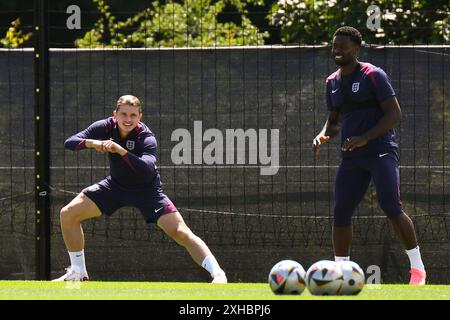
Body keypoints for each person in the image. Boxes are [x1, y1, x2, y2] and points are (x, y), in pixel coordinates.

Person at [53, 95, 227, 283]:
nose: (128, 119)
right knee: (68, 213)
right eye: (124, 114)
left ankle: (218, 274)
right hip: (115, 187)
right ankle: (78, 272)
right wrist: (94, 143)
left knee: (181, 232)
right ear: (115, 114)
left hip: (147, 191)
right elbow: (70, 142)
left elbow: (146, 168)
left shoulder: (146, 137)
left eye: (133, 115)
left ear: (140, 116)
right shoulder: (105, 127)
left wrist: (121, 150)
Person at [312, 26, 426, 285]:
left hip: (381, 151)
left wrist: (366, 137)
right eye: (334, 46)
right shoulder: (332, 82)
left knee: (390, 206)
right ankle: (341, 272)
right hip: (352, 157)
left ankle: (418, 270)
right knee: (341, 211)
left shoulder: (373, 75)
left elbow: (394, 115)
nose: (337, 51)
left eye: (343, 46)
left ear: (356, 48)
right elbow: (333, 123)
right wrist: (322, 135)